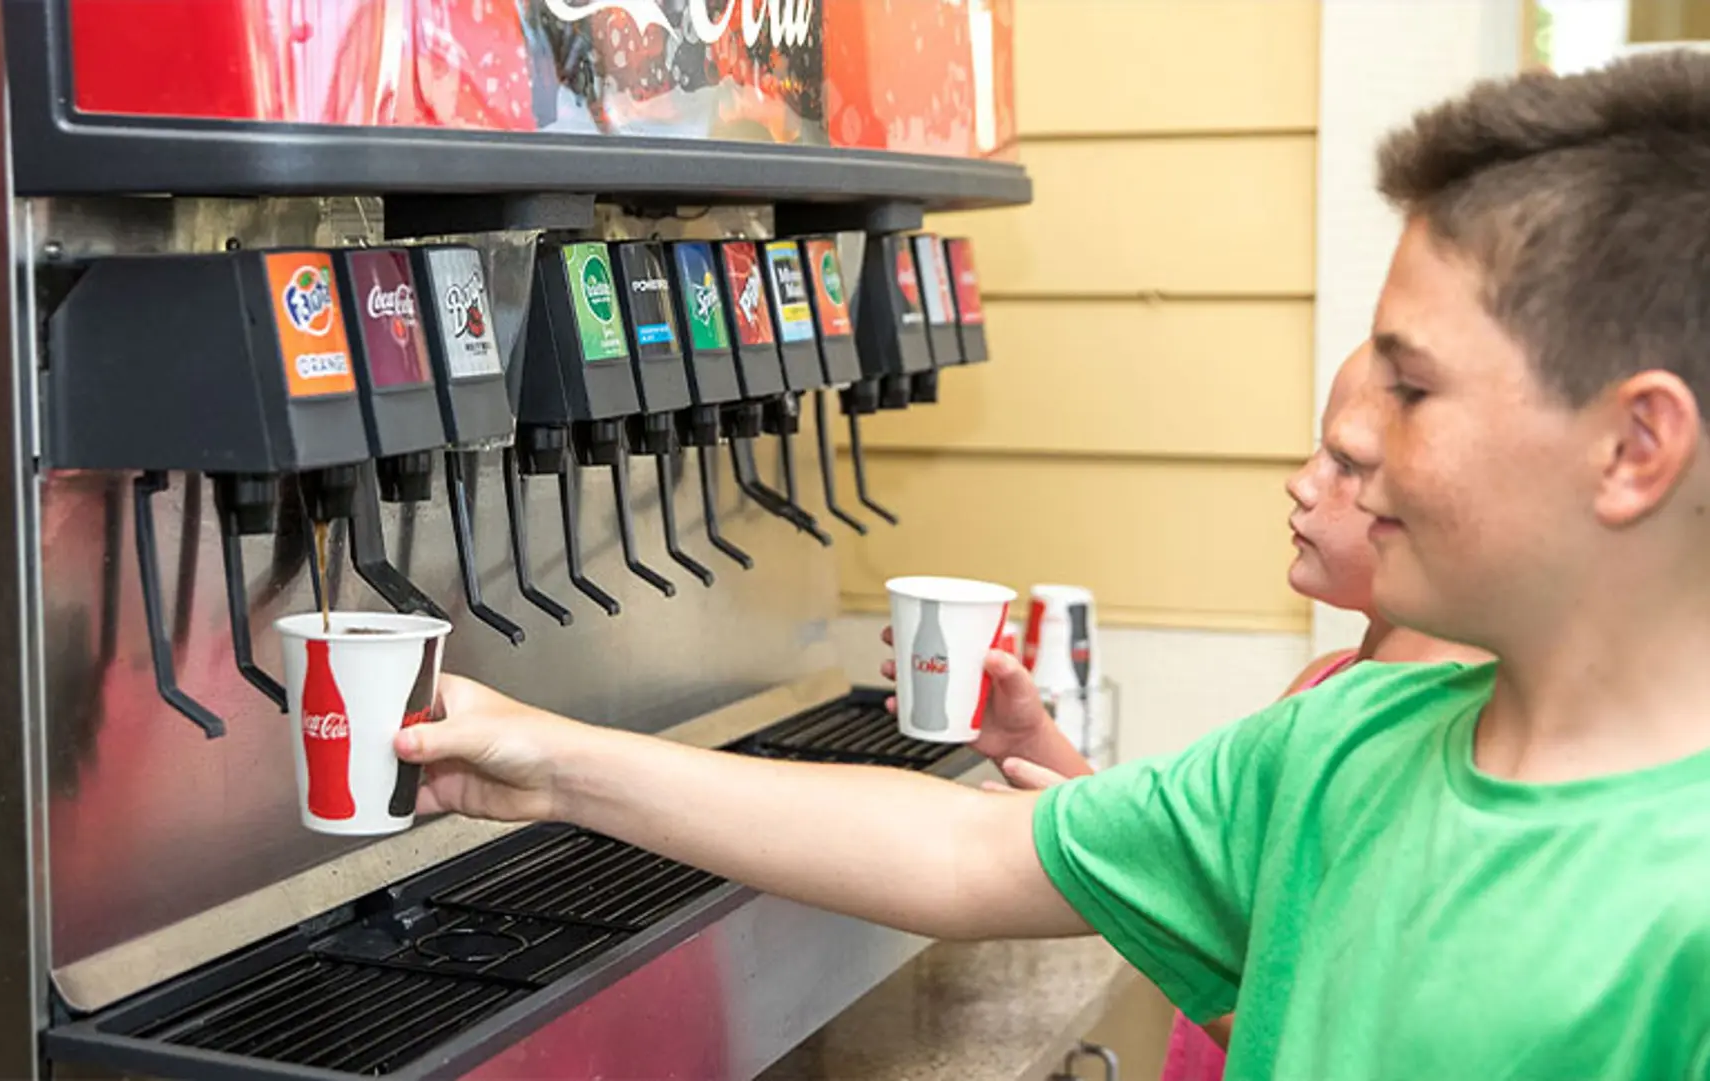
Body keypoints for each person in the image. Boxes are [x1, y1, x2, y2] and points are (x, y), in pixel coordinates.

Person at [396, 54, 1710, 1078]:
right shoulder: (1345, 747)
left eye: (1413, 388)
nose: (1351, 433)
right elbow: (969, 851)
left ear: (1633, 447)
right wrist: (550, 753)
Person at [966, 347, 1489, 1079]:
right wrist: (1032, 740)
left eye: (1345, 462)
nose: (1301, 482)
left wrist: (1142, 917)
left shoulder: (1429, 737)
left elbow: (1304, 1033)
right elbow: (1185, 869)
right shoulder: (1326, 683)